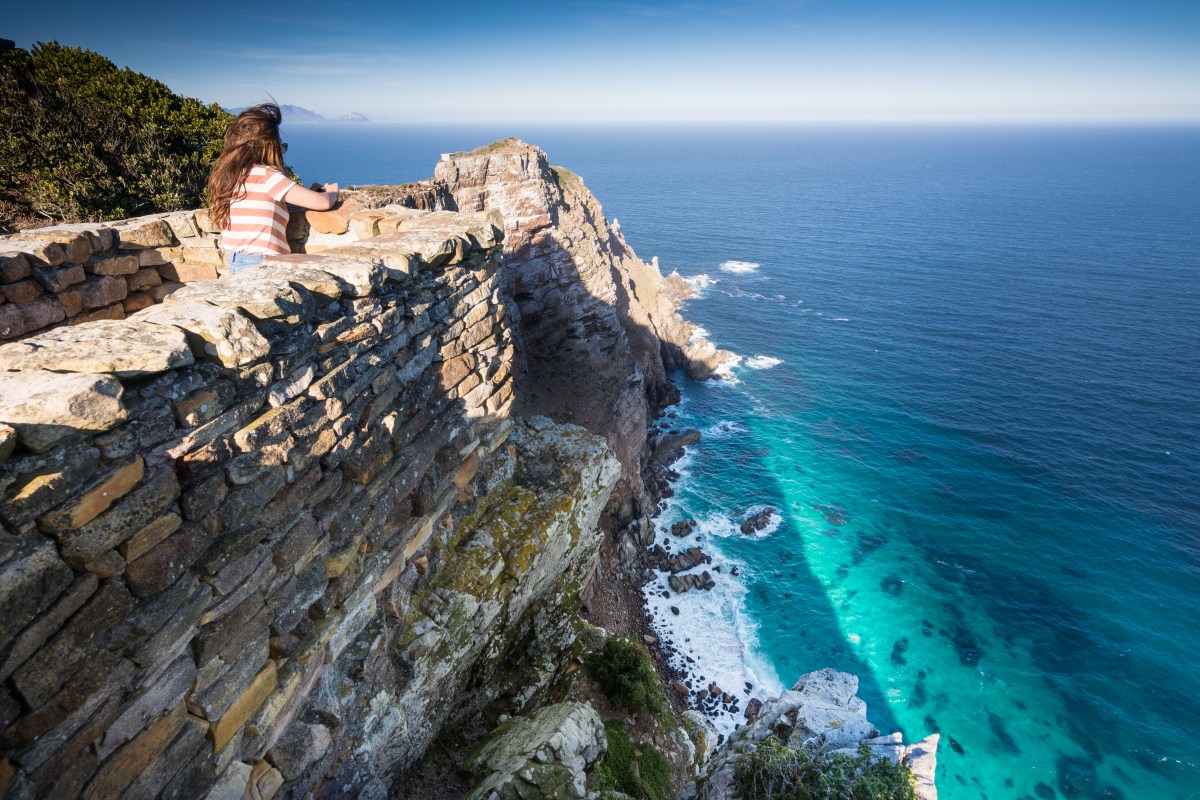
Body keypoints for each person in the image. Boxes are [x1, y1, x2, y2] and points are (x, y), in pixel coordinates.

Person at [206, 103, 340, 275]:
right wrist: (332, 192)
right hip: (262, 262)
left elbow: (264, 204)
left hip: (236, 261)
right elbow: (322, 202)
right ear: (270, 145)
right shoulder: (267, 175)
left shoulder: (231, 177)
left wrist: (305, 192)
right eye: (280, 146)